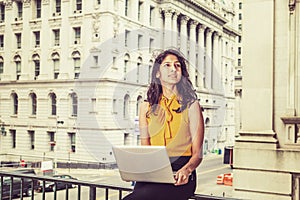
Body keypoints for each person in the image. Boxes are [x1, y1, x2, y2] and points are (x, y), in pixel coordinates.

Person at [123, 49, 205, 200]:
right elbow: (145, 148)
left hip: (180, 174)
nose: (173, 69)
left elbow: (198, 155)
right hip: (153, 170)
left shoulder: (192, 105)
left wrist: (187, 170)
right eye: (167, 65)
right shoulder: (146, 106)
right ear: (157, 73)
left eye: (177, 65)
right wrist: (135, 170)